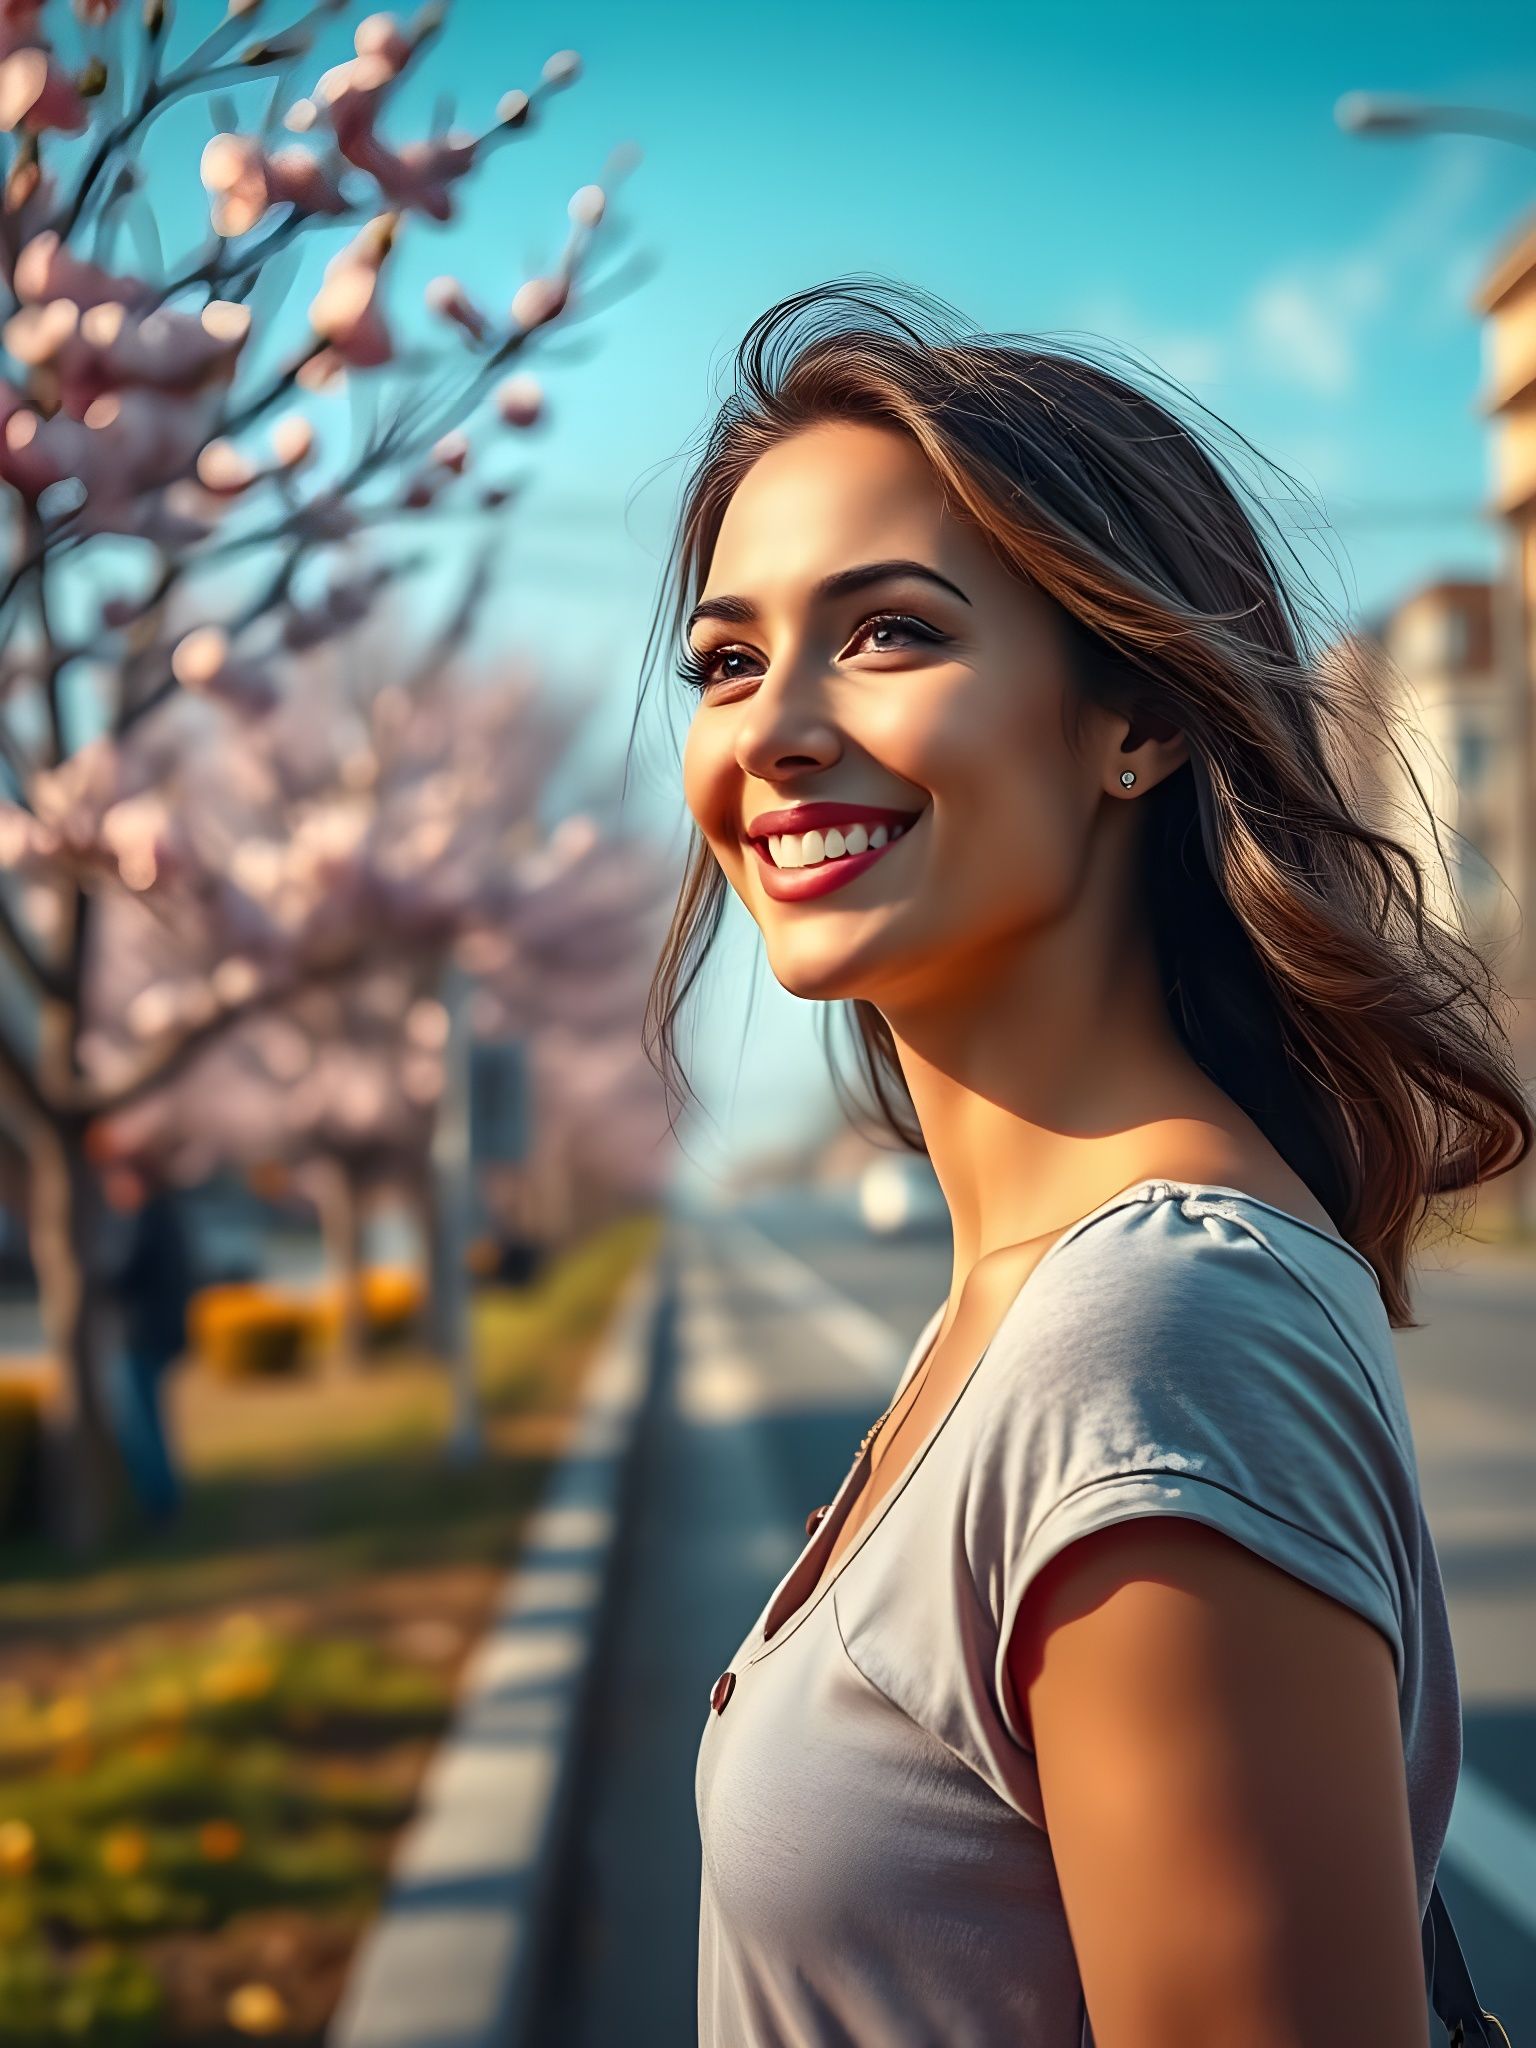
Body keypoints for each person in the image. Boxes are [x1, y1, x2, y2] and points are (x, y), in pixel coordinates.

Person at [640, 281, 1533, 2045]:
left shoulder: (1150, 1333)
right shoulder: (1037, 1294)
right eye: (729, 660)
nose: (774, 729)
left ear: (1137, 722)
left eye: (888, 633)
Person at [102, 1164, 199, 1527]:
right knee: (149, 1422)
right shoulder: (166, 1218)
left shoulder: (145, 1221)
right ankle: (162, 1499)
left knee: (141, 1425)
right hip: (154, 1335)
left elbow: (120, 1273)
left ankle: (159, 1505)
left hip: (139, 1337)